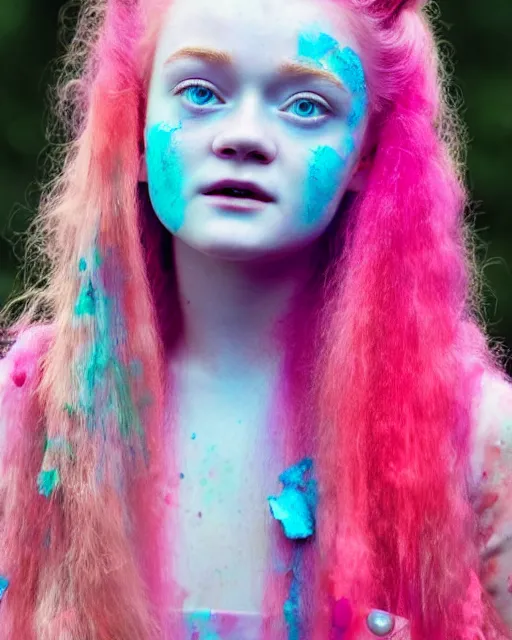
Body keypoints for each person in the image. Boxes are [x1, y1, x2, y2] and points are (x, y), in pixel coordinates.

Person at [1, 0, 511, 638]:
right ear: (134, 119)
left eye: (305, 105)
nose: (241, 134)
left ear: (366, 153)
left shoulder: (471, 440)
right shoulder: (28, 420)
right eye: (199, 91)